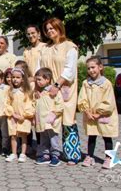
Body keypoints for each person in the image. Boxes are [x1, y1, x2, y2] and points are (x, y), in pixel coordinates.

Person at [39, 17, 80, 165]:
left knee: (68, 120)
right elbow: (40, 69)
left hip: (64, 88)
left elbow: (69, 70)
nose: (50, 31)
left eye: (52, 28)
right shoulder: (45, 48)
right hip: (48, 90)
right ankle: (51, 152)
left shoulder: (70, 46)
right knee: (50, 120)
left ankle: (72, 154)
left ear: (59, 28)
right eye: (47, 29)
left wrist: (57, 85)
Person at [78, 56, 119, 169]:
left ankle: (109, 158)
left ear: (100, 67)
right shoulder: (86, 83)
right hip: (90, 115)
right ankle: (90, 156)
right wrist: (86, 111)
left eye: (93, 67)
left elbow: (109, 101)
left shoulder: (106, 84)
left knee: (107, 136)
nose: (91, 70)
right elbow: (82, 98)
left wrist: (99, 113)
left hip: (103, 115)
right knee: (92, 136)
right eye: (88, 68)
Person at [34, 68, 64, 167]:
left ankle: (55, 156)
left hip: (51, 121)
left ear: (47, 79)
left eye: (39, 79)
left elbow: (60, 104)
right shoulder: (39, 92)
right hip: (42, 121)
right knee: (43, 138)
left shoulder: (53, 91)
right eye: (37, 80)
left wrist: (54, 115)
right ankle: (45, 155)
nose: (37, 82)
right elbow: (36, 105)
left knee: (53, 139)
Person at [5, 68, 34, 163]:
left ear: (23, 79)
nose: (15, 79)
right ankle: (14, 153)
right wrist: (12, 113)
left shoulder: (26, 91)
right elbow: (7, 103)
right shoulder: (10, 91)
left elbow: (30, 104)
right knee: (13, 135)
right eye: (13, 77)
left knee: (23, 136)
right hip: (13, 117)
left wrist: (25, 115)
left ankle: (23, 153)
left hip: (23, 118)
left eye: (18, 77)